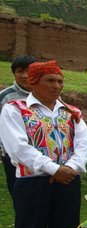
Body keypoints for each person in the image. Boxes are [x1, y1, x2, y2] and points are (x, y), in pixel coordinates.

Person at [0, 60, 87, 228]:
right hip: (33, 180)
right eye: (50, 80)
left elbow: (84, 142)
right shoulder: (15, 109)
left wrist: (70, 167)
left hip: (68, 179)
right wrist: (53, 169)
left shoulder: (71, 112)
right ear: (34, 82)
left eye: (60, 80)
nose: (57, 85)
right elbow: (17, 148)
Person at [0, 55, 37, 199]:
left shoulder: (46, 94)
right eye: (20, 71)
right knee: (19, 193)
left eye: (29, 71)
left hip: (42, 152)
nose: (25, 75)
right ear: (14, 73)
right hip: (13, 156)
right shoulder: (5, 97)